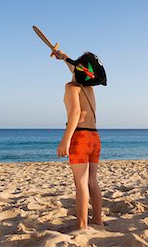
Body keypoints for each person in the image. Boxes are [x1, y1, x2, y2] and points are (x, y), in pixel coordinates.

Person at [52, 49, 107, 230]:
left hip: (80, 137)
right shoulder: (88, 88)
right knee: (92, 181)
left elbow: (75, 113)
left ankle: (82, 225)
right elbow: (77, 70)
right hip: (94, 137)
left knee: (81, 183)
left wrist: (65, 140)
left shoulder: (71, 87)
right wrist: (63, 57)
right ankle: (97, 220)